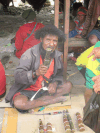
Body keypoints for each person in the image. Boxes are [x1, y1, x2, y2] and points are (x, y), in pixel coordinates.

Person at [5, 25, 72, 113]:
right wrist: (35, 73)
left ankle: (38, 102)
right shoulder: (29, 54)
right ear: (41, 39)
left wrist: (54, 84)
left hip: (45, 88)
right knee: (19, 103)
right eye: (48, 40)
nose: (51, 44)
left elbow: (59, 75)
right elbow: (18, 76)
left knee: (68, 86)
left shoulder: (57, 55)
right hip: (28, 89)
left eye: (55, 41)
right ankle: (50, 100)